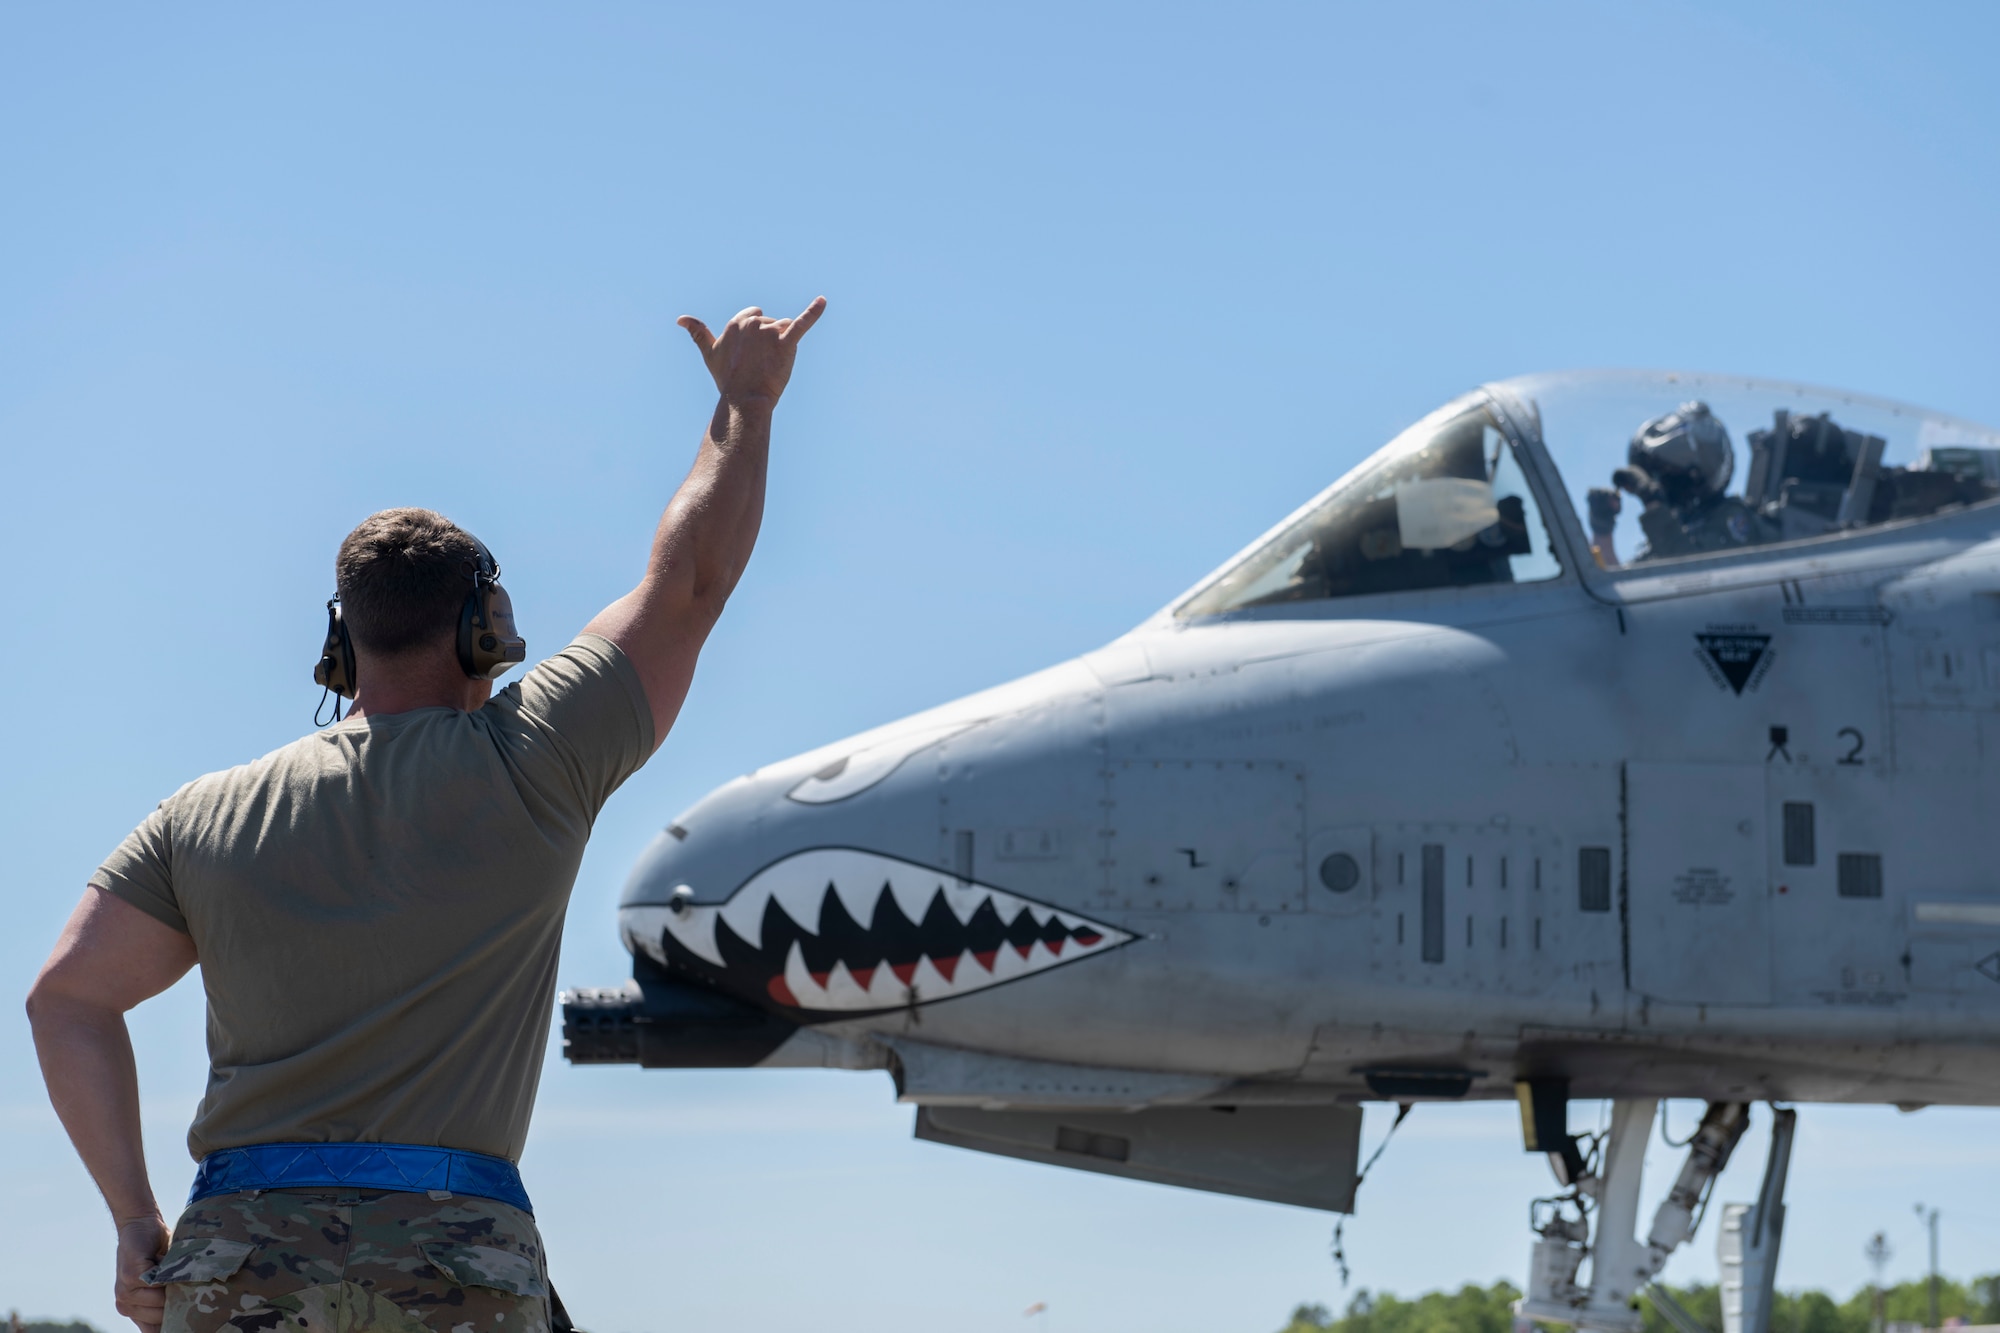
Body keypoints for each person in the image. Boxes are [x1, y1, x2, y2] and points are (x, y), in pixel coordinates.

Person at [25, 296, 826, 1333]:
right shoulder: (534, 758)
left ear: (341, 644)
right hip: (454, 1253)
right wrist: (746, 405)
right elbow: (689, 586)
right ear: (482, 630)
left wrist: (135, 1217)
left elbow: (64, 1000)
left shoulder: (201, 815)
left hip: (239, 1254)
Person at [1608, 400, 1769, 561]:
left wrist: (1653, 503)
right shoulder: (1676, 532)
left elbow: (1693, 572)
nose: (1659, 485)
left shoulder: (1731, 517)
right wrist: (1602, 529)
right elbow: (1622, 581)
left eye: (1666, 476)